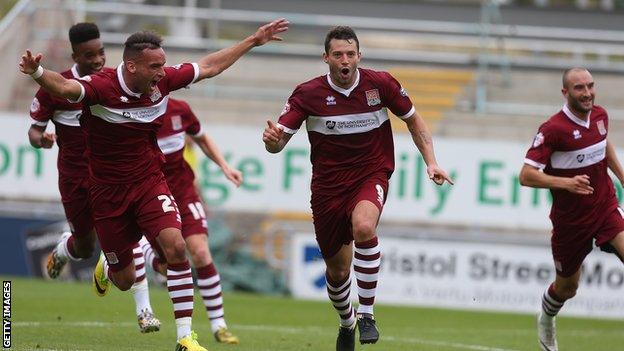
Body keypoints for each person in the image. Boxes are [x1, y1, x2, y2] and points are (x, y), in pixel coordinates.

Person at [20, 18, 288, 351]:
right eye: (155, 66)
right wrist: (36, 73)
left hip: (150, 183)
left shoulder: (163, 82)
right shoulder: (102, 87)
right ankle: (107, 257)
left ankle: (185, 337)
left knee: (178, 248)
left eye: (164, 64)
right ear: (131, 66)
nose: (163, 72)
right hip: (106, 192)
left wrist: (253, 40)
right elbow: (64, 88)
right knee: (123, 279)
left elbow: (208, 66)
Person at [262, 26, 453, 351]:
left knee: (364, 226)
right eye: (338, 54)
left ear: (359, 56)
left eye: (350, 53)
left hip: (371, 174)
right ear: (326, 58)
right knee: (337, 273)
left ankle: (367, 313)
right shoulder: (307, 94)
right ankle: (347, 321)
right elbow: (277, 143)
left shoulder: (381, 84)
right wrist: (272, 142)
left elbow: (414, 120)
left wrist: (431, 161)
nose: (345, 59)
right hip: (328, 189)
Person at [27, 22, 160, 334]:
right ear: (76, 56)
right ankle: (63, 250)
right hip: (75, 178)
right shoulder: (57, 86)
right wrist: (40, 139)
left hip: (112, 177)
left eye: (101, 52)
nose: (99, 60)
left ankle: (145, 312)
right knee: (85, 246)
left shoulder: (115, 82)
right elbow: (34, 129)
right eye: (90, 55)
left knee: (132, 237)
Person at [519, 67, 624, 351]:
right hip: (571, 223)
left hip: (604, 207)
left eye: (590, 86)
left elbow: (603, 144)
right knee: (568, 288)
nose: (587, 93)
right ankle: (546, 318)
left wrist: (622, 175)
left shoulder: (601, 116)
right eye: (579, 88)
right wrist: (565, 183)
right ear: (565, 93)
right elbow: (526, 175)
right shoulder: (553, 129)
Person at [139, 97, 242, 344]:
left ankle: (219, 325)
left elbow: (202, 137)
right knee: (168, 264)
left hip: (184, 192)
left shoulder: (180, 109)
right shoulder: (134, 111)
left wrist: (224, 166)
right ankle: (143, 251)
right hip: (153, 195)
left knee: (200, 252)